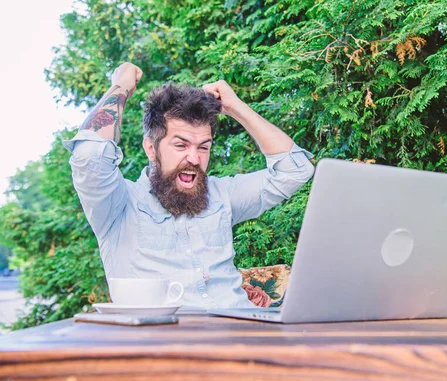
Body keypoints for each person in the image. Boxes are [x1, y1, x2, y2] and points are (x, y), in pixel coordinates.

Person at [63, 62, 315, 308]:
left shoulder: (221, 195)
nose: (194, 159)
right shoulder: (117, 205)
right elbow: (88, 157)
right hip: (167, 343)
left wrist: (235, 107)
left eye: (203, 147)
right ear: (151, 149)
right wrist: (121, 86)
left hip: (241, 333)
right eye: (181, 145)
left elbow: (295, 169)